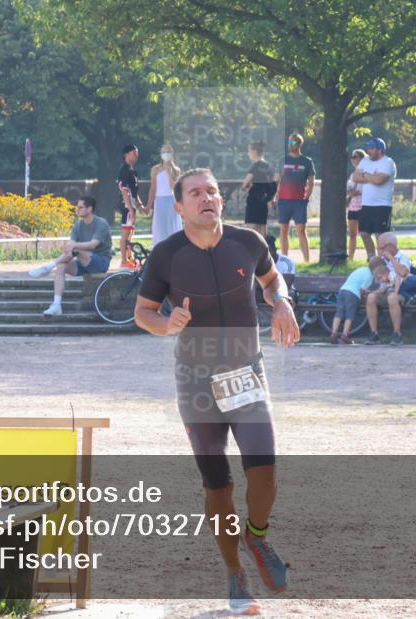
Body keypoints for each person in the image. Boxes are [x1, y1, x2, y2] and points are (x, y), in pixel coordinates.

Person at [134, 168, 300, 616]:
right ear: (181, 207)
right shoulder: (166, 256)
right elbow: (143, 313)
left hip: (245, 373)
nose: (206, 198)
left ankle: (257, 535)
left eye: (212, 191)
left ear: (221, 201)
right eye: (196, 193)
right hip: (195, 380)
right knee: (218, 485)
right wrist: (165, 325)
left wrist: (281, 301)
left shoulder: (248, 242)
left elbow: (271, 280)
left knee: (264, 468)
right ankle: (235, 576)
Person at [29, 196, 112, 316]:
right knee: (62, 266)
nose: (77, 209)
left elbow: (93, 244)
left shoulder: (101, 223)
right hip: (82, 262)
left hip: (100, 263)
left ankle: (48, 266)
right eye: (77, 207)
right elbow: (70, 246)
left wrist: (73, 246)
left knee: (76, 249)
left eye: (80, 207)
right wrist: (71, 246)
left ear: (89, 209)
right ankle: (56, 305)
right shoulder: (78, 225)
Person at [364, 232, 416, 346]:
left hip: (399, 291)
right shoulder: (382, 260)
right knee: (370, 298)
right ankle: (374, 334)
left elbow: (402, 273)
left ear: (390, 246)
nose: (379, 250)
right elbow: (379, 280)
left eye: (381, 247)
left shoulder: (403, 258)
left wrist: (390, 257)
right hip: (386, 290)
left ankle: (397, 334)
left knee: (392, 298)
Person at [273, 133, 315, 263]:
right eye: (289, 143)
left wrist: (307, 196)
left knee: (301, 231)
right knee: (283, 230)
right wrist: (274, 197)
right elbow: (276, 180)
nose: (290, 145)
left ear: (299, 144)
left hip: (299, 201)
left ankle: (307, 261)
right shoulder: (282, 160)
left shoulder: (307, 161)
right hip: (284, 200)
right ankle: (285, 259)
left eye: (293, 143)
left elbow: (311, 180)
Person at [352, 138, 397, 258]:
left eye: (371, 148)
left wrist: (365, 174)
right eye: (368, 148)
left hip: (382, 205)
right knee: (363, 233)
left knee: (380, 235)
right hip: (366, 205)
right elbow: (355, 178)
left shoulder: (388, 162)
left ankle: (384, 259)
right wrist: (372, 177)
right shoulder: (365, 161)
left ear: (380, 150)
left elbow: (379, 180)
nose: (369, 151)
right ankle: (372, 258)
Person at [329, 257, 389, 345]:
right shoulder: (369, 276)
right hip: (352, 294)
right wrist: (363, 299)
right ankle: (345, 334)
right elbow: (362, 290)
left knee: (339, 313)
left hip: (342, 291)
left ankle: (333, 332)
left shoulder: (362, 269)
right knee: (350, 315)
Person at [145, 144, 184, 246]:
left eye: (168, 152)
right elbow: (153, 188)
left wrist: (169, 172)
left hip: (172, 201)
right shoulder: (155, 169)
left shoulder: (176, 170)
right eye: (163, 152)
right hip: (159, 201)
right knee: (160, 228)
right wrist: (148, 206)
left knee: (173, 227)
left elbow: (173, 188)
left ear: (172, 154)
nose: (166, 154)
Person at [117, 144, 143, 268]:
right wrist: (130, 208)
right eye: (134, 152)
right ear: (126, 154)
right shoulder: (124, 170)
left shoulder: (132, 171)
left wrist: (139, 204)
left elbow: (134, 191)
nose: (136, 155)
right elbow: (125, 191)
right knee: (126, 232)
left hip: (131, 205)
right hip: (126, 205)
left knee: (130, 231)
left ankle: (129, 257)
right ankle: (123, 260)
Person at [241, 141, 276, 234]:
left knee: (251, 228)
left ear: (254, 151)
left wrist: (248, 185)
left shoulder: (255, 166)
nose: (248, 153)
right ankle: (264, 247)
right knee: (262, 228)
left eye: (249, 151)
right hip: (264, 202)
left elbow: (245, 184)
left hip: (253, 200)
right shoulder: (269, 166)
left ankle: (251, 248)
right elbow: (273, 183)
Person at [346, 148, 367, 260]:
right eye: (352, 157)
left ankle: (371, 256)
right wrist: (350, 192)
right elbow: (349, 189)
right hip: (352, 207)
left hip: (363, 207)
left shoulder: (367, 173)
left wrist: (357, 192)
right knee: (352, 234)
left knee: (365, 233)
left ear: (362, 159)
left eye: (355, 157)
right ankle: (350, 258)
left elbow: (366, 188)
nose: (352, 159)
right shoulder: (352, 175)